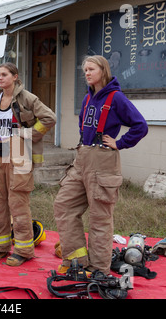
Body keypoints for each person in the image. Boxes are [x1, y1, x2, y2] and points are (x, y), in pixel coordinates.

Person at [53, 55, 148, 275]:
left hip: (103, 160)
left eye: (91, 69)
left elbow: (140, 126)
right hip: (82, 157)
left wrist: (120, 143)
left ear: (103, 71)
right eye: (84, 69)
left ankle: (98, 269)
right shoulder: (88, 98)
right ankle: (77, 260)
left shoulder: (116, 98)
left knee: (99, 218)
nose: (86, 73)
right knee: (64, 205)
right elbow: (81, 125)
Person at [0, 62, 56, 266]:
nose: (0, 78)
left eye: (4, 74)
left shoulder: (27, 98)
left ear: (15, 77)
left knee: (18, 206)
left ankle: (23, 250)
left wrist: (28, 133)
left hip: (18, 158)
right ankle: (0, 247)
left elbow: (49, 117)